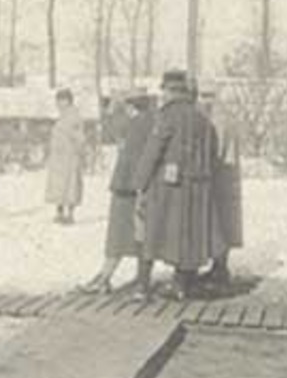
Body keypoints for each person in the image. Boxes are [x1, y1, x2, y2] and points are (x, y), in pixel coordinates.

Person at [131, 69, 221, 301]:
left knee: (150, 230)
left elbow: (153, 151)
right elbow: (212, 154)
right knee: (189, 235)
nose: (163, 95)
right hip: (198, 187)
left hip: (167, 188)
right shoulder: (203, 119)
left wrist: (140, 182)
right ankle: (181, 284)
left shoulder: (167, 116)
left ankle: (142, 285)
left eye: (164, 90)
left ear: (171, 91)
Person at [81, 88, 156, 293]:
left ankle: (104, 277)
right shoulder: (151, 122)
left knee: (117, 235)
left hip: (126, 186)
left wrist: (113, 107)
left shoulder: (135, 124)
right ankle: (138, 278)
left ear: (131, 106)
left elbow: (109, 130)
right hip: (142, 186)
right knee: (138, 235)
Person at [198, 82, 243, 291]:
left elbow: (218, 151)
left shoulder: (218, 119)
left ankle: (221, 268)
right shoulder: (224, 115)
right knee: (224, 222)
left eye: (207, 96)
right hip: (228, 174)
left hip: (222, 175)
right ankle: (218, 266)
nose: (204, 101)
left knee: (221, 221)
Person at [45, 88, 86, 225]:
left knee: (70, 186)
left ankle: (70, 214)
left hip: (69, 158)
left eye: (60, 100)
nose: (58, 104)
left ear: (67, 101)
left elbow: (79, 137)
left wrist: (75, 149)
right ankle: (60, 212)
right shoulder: (62, 116)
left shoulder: (74, 116)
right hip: (59, 159)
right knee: (60, 186)